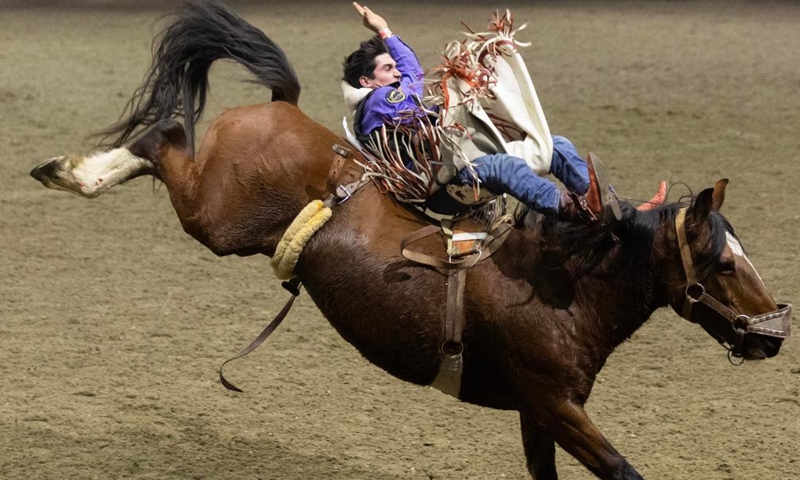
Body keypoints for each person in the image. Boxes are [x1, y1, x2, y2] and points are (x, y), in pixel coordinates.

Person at [343, 3, 663, 221]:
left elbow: (410, 74)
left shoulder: (390, 96)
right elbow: (412, 79)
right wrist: (386, 33)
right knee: (506, 167)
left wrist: (385, 30)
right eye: (388, 68)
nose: (397, 73)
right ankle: (574, 212)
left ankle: (616, 212)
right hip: (440, 185)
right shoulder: (379, 100)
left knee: (556, 147)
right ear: (366, 81)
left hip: (459, 165)